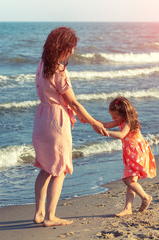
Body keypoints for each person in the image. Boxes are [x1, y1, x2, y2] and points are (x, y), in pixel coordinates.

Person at [32, 27, 108, 227]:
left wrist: (77, 115)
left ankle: (39, 213)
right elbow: (73, 102)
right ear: (62, 46)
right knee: (59, 169)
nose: (73, 52)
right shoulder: (59, 70)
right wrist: (94, 122)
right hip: (57, 120)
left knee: (45, 167)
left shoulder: (41, 66)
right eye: (71, 47)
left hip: (41, 118)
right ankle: (50, 216)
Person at [102, 96, 156, 217]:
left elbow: (121, 135)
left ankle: (145, 197)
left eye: (115, 117)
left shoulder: (128, 121)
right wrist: (91, 122)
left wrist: (107, 133)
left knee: (127, 180)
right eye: (112, 116)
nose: (113, 119)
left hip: (136, 153)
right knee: (131, 180)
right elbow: (105, 124)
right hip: (131, 153)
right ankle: (128, 208)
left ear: (124, 114)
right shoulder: (121, 120)